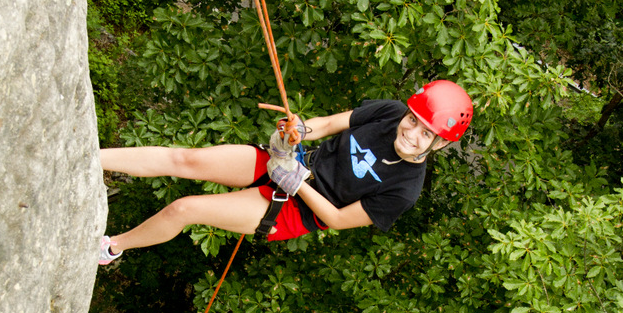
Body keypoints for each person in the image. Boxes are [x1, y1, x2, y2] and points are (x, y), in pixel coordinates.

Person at [98, 80, 473, 264]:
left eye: (427, 133)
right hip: (292, 162)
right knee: (188, 160)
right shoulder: (389, 112)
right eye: (413, 120)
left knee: (185, 209)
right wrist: (297, 132)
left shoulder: (405, 190)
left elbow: (338, 219)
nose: (411, 132)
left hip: (296, 210)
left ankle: (112, 247)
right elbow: (326, 124)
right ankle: (93, 157)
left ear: (439, 144)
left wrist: (297, 182)